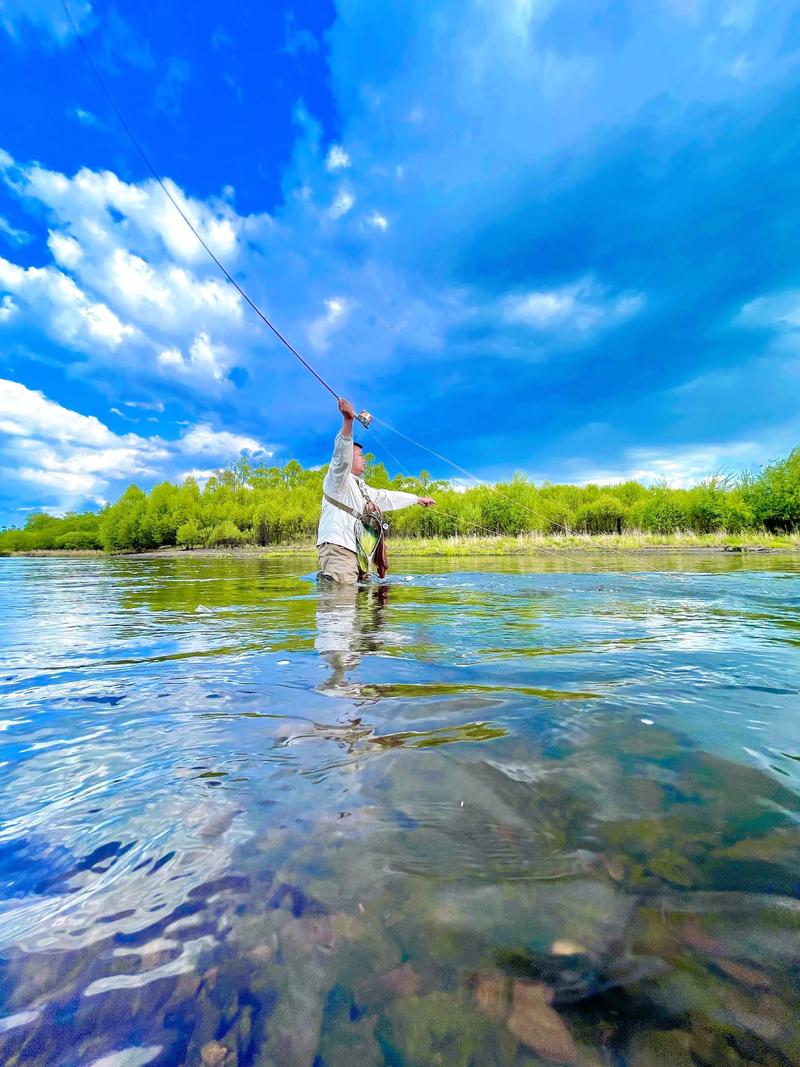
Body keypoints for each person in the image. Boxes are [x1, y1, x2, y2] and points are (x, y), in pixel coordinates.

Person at [317, 397, 435, 583]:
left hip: (359, 552)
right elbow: (341, 456)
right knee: (340, 602)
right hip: (338, 548)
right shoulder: (337, 479)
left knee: (361, 602)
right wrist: (348, 421)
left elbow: (386, 497)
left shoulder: (361, 487)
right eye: (359, 455)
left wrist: (417, 499)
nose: (363, 459)